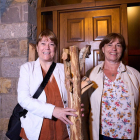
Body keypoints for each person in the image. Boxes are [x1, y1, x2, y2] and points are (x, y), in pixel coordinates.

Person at [17, 30, 78, 140]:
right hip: (37, 131)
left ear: (55, 48)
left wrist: (77, 106)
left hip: (62, 130)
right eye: (43, 43)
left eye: (51, 44)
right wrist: (52, 110)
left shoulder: (64, 68)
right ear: (37, 47)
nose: (47, 47)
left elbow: (72, 95)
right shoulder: (27, 68)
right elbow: (23, 99)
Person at [83, 33, 140, 140]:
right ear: (103, 49)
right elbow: (84, 107)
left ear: (122, 50)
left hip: (128, 134)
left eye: (118, 45)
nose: (114, 48)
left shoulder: (135, 75)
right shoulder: (90, 74)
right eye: (110, 44)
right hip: (102, 134)